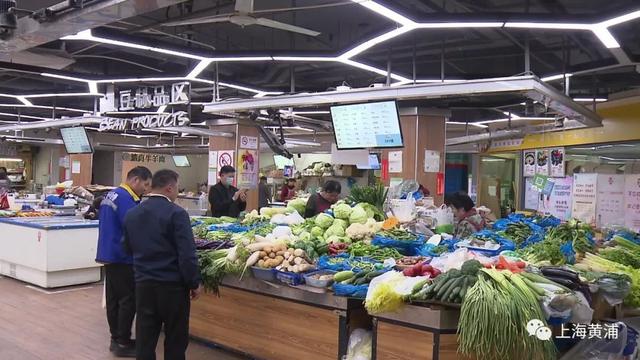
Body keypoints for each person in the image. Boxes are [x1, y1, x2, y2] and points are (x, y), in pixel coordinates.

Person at [122, 170, 202, 360]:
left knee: (145, 337)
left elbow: (126, 248)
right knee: (175, 338)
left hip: (144, 284)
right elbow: (187, 254)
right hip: (172, 287)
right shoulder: (177, 214)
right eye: (176, 188)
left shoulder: (132, 213)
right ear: (169, 187)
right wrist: (194, 282)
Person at [96, 166, 152, 358]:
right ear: (135, 180)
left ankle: (116, 338)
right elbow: (136, 229)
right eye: (145, 185)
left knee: (114, 300)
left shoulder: (111, 195)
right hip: (123, 256)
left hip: (108, 253)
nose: (145, 189)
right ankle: (123, 341)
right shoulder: (127, 200)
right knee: (128, 300)